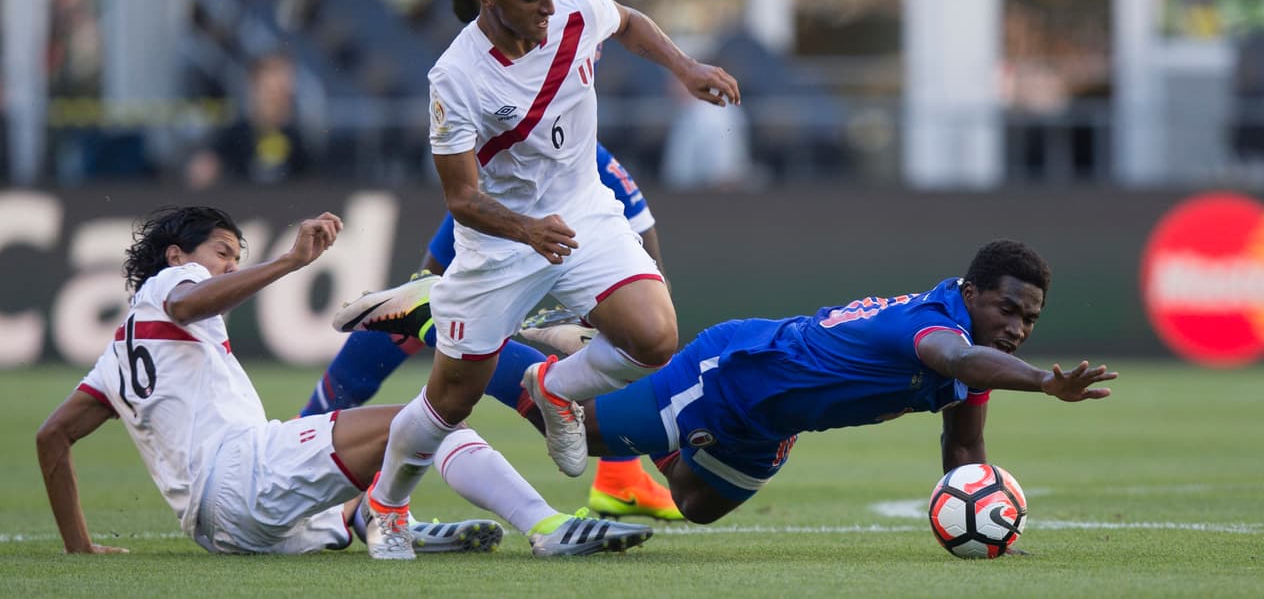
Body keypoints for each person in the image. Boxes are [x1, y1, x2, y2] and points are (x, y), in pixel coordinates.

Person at [304, 0, 680, 521]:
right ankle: (321, 433)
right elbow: (484, 34)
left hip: (568, 159)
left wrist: (687, 68)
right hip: (512, 169)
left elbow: (608, 22)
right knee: (450, 363)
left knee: (645, 291)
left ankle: (602, 441)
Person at [356, 0, 739, 545]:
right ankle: (388, 507)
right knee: (451, 399)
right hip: (502, 243)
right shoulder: (455, 79)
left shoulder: (573, 8)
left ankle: (552, 386)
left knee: (655, 336)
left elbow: (629, 21)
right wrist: (527, 230)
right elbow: (462, 198)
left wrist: (685, 66)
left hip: (582, 210)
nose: (548, 5)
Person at [351, 239, 1116, 525]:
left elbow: (965, 448)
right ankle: (440, 313)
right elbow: (955, 361)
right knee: (593, 431)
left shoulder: (977, 353)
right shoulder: (939, 329)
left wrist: (979, 518)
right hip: (731, 376)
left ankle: (597, 355)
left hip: (771, 423)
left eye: (1031, 320)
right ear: (973, 293)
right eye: (1009, 310)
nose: (1018, 327)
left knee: (698, 505)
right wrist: (1045, 383)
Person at [35, 205, 653, 559]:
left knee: (388, 450)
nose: (230, 265)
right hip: (242, 473)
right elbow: (187, 306)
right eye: (223, 252)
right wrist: (289, 262)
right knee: (430, 416)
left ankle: (379, 520)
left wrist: (79, 550)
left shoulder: (116, 356)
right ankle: (546, 527)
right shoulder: (169, 286)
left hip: (216, 531)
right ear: (177, 256)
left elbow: (51, 438)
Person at [185, 52, 313, 190]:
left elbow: (313, 182)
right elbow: (204, 169)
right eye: (269, 91)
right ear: (254, 88)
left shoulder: (298, 137)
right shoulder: (235, 134)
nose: (283, 89)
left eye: (285, 83)